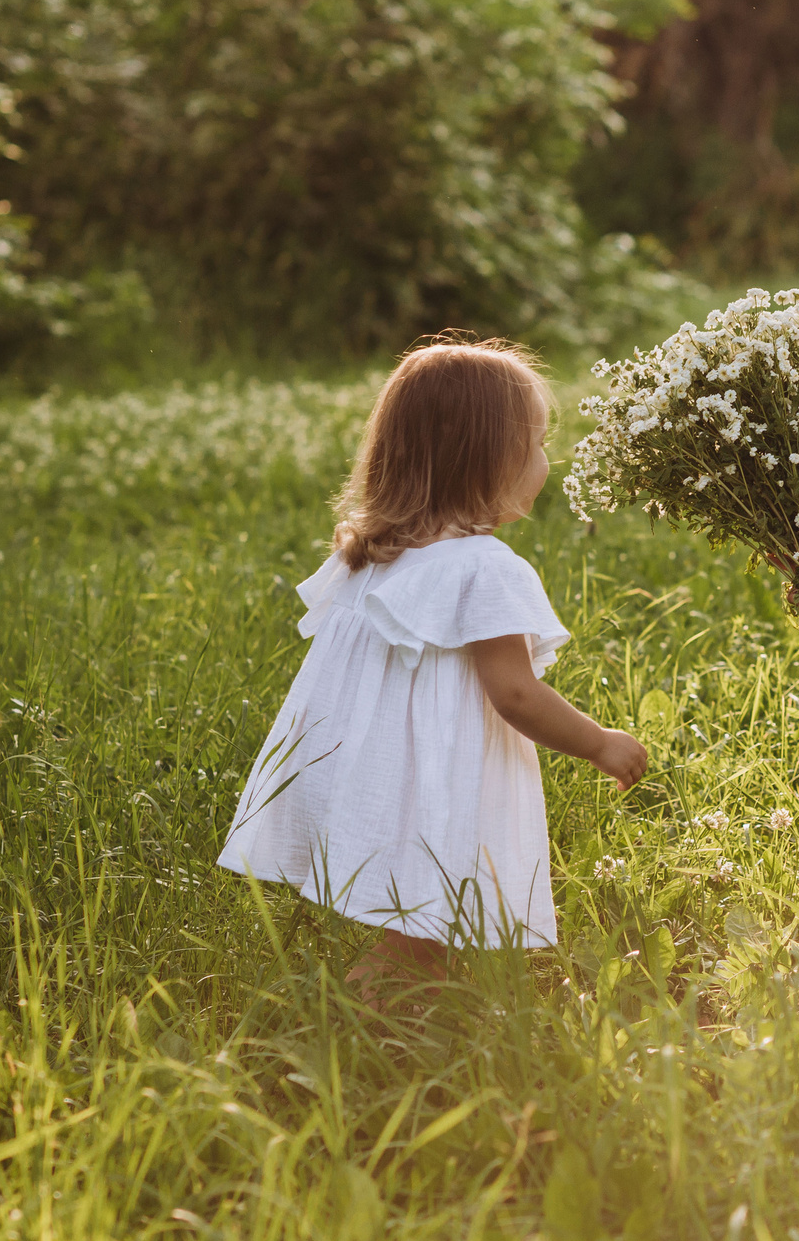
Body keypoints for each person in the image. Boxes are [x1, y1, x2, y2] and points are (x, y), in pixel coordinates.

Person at [218, 338, 647, 999]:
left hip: (374, 776)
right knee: (420, 938)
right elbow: (515, 693)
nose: (545, 460)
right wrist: (600, 743)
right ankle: (386, 1019)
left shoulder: (378, 552)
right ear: (488, 458)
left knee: (415, 932)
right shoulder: (484, 566)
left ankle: (384, 1001)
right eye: (535, 443)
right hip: (432, 782)